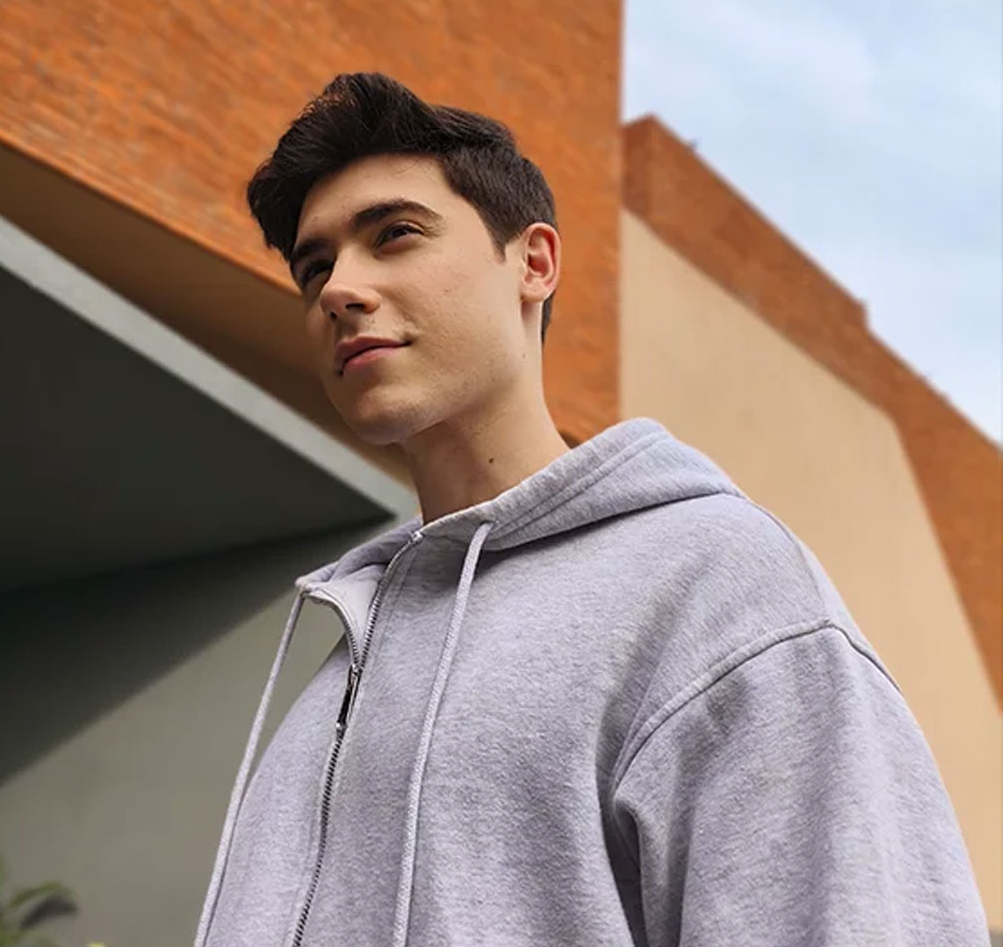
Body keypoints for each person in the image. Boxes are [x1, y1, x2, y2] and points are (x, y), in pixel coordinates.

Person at [194, 73, 988, 947]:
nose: (340, 289)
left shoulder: (716, 585)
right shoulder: (351, 653)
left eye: (395, 235)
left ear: (534, 263)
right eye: (315, 267)